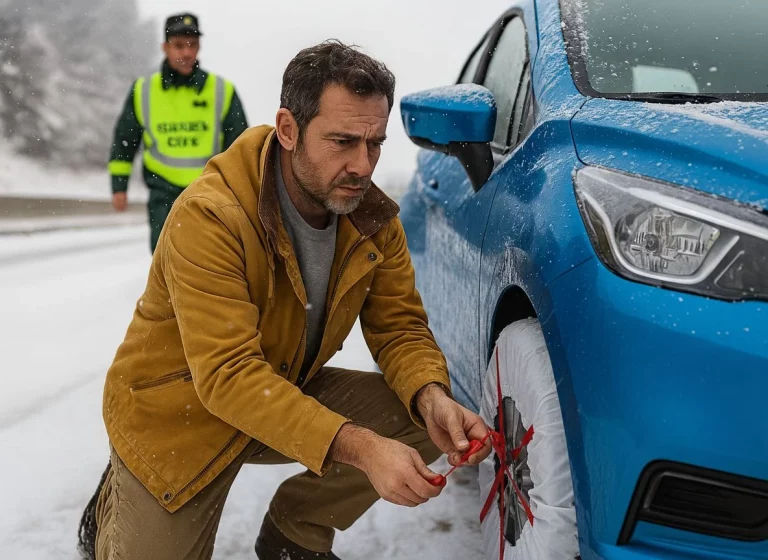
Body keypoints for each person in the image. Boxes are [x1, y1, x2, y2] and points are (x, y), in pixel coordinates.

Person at [86, 40, 492, 560]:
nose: (362, 166)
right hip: (178, 415)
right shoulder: (210, 216)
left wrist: (432, 397)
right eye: (342, 141)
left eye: (374, 144)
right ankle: (119, 496)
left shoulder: (371, 220)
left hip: (279, 389)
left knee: (423, 419)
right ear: (288, 129)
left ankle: (294, 532)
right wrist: (362, 448)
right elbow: (228, 376)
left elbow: (399, 329)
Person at [108, 13, 248, 252]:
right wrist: (119, 187)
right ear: (165, 47)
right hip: (163, 192)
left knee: (210, 262)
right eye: (179, 45)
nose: (186, 53)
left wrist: (243, 192)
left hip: (210, 192)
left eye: (192, 45)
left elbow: (241, 147)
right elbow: (125, 140)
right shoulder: (144, 90)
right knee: (165, 260)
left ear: (199, 47)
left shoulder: (221, 91)